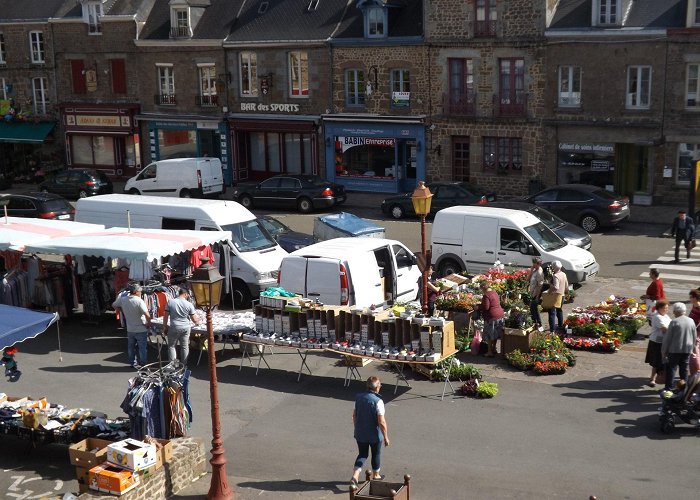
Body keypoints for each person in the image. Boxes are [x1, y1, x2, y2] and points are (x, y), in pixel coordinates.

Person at [351, 376, 390, 486]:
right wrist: (386, 437)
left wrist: (356, 428)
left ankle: (355, 475)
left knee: (362, 454)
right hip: (374, 434)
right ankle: (376, 475)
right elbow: (381, 422)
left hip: (360, 432)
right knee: (376, 454)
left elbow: (354, 415)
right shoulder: (378, 401)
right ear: (377, 387)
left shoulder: (359, 397)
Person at [112, 283, 152, 368]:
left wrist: (121, 310)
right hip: (141, 328)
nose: (141, 292)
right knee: (142, 348)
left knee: (131, 347)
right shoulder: (139, 301)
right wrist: (149, 324)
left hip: (130, 329)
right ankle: (143, 364)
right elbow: (147, 315)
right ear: (136, 292)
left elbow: (114, 305)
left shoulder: (123, 299)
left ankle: (132, 363)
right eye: (140, 291)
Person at [661, 302, 697, 390]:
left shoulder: (674, 322)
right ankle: (684, 388)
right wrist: (692, 349)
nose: (673, 312)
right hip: (687, 350)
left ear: (676, 312)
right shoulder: (691, 321)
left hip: (674, 350)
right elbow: (694, 336)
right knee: (684, 369)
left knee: (672, 369)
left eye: (674, 311)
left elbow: (668, 338)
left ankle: (669, 388)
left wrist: (664, 351)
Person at [163, 288, 200, 364]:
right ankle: (184, 364)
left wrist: (165, 327)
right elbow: (194, 319)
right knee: (184, 346)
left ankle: (172, 364)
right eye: (188, 294)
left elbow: (165, 316)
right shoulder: (189, 304)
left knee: (172, 346)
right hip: (185, 327)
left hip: (174, 326)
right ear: (185, 294)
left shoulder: (170, 302)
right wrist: (197, 323)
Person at [645, 300, 670, 387]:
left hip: (664, 341)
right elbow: (665, 329)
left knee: (662, 361)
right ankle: (652, 379)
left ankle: (660, 377)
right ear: (659, 308)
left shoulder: (666, 316)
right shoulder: (657, 317)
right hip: (656, 342)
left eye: (667, 308)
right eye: (664, 308)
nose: (666, 310)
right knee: (656, 361)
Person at [479, 281, 504, 357]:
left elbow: (486, 307)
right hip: (500, 315)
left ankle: (489, 352)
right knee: (495, 333)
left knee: (489, 334)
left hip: (491, 316)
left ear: (483, 288)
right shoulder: (494, 293)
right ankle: (494, 348)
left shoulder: (486, 295)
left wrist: (478, 307)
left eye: (481, 289)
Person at [545, 261, 569, 334]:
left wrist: (549, 284)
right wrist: (567, 293)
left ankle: (552, 330)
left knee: (552, 313)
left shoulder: (556, 276)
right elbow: (566, 285)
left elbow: (556, 287)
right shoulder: (563, 274)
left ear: (554, 267)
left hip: (555, 296)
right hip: (562, 295)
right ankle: (560, 325)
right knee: (559, 310)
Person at [526, 257, 545, 329]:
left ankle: (538, 325)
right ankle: (537, 325)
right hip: (532, 292)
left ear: (538, 264)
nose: (533, 265)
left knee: (534, 309)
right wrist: (531, 270)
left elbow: (540, 286)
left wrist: (537, 296)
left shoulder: (539, 272)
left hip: (536, 293)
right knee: (533, 309)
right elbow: (528, 279)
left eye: (534, 263)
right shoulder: (535, 270)